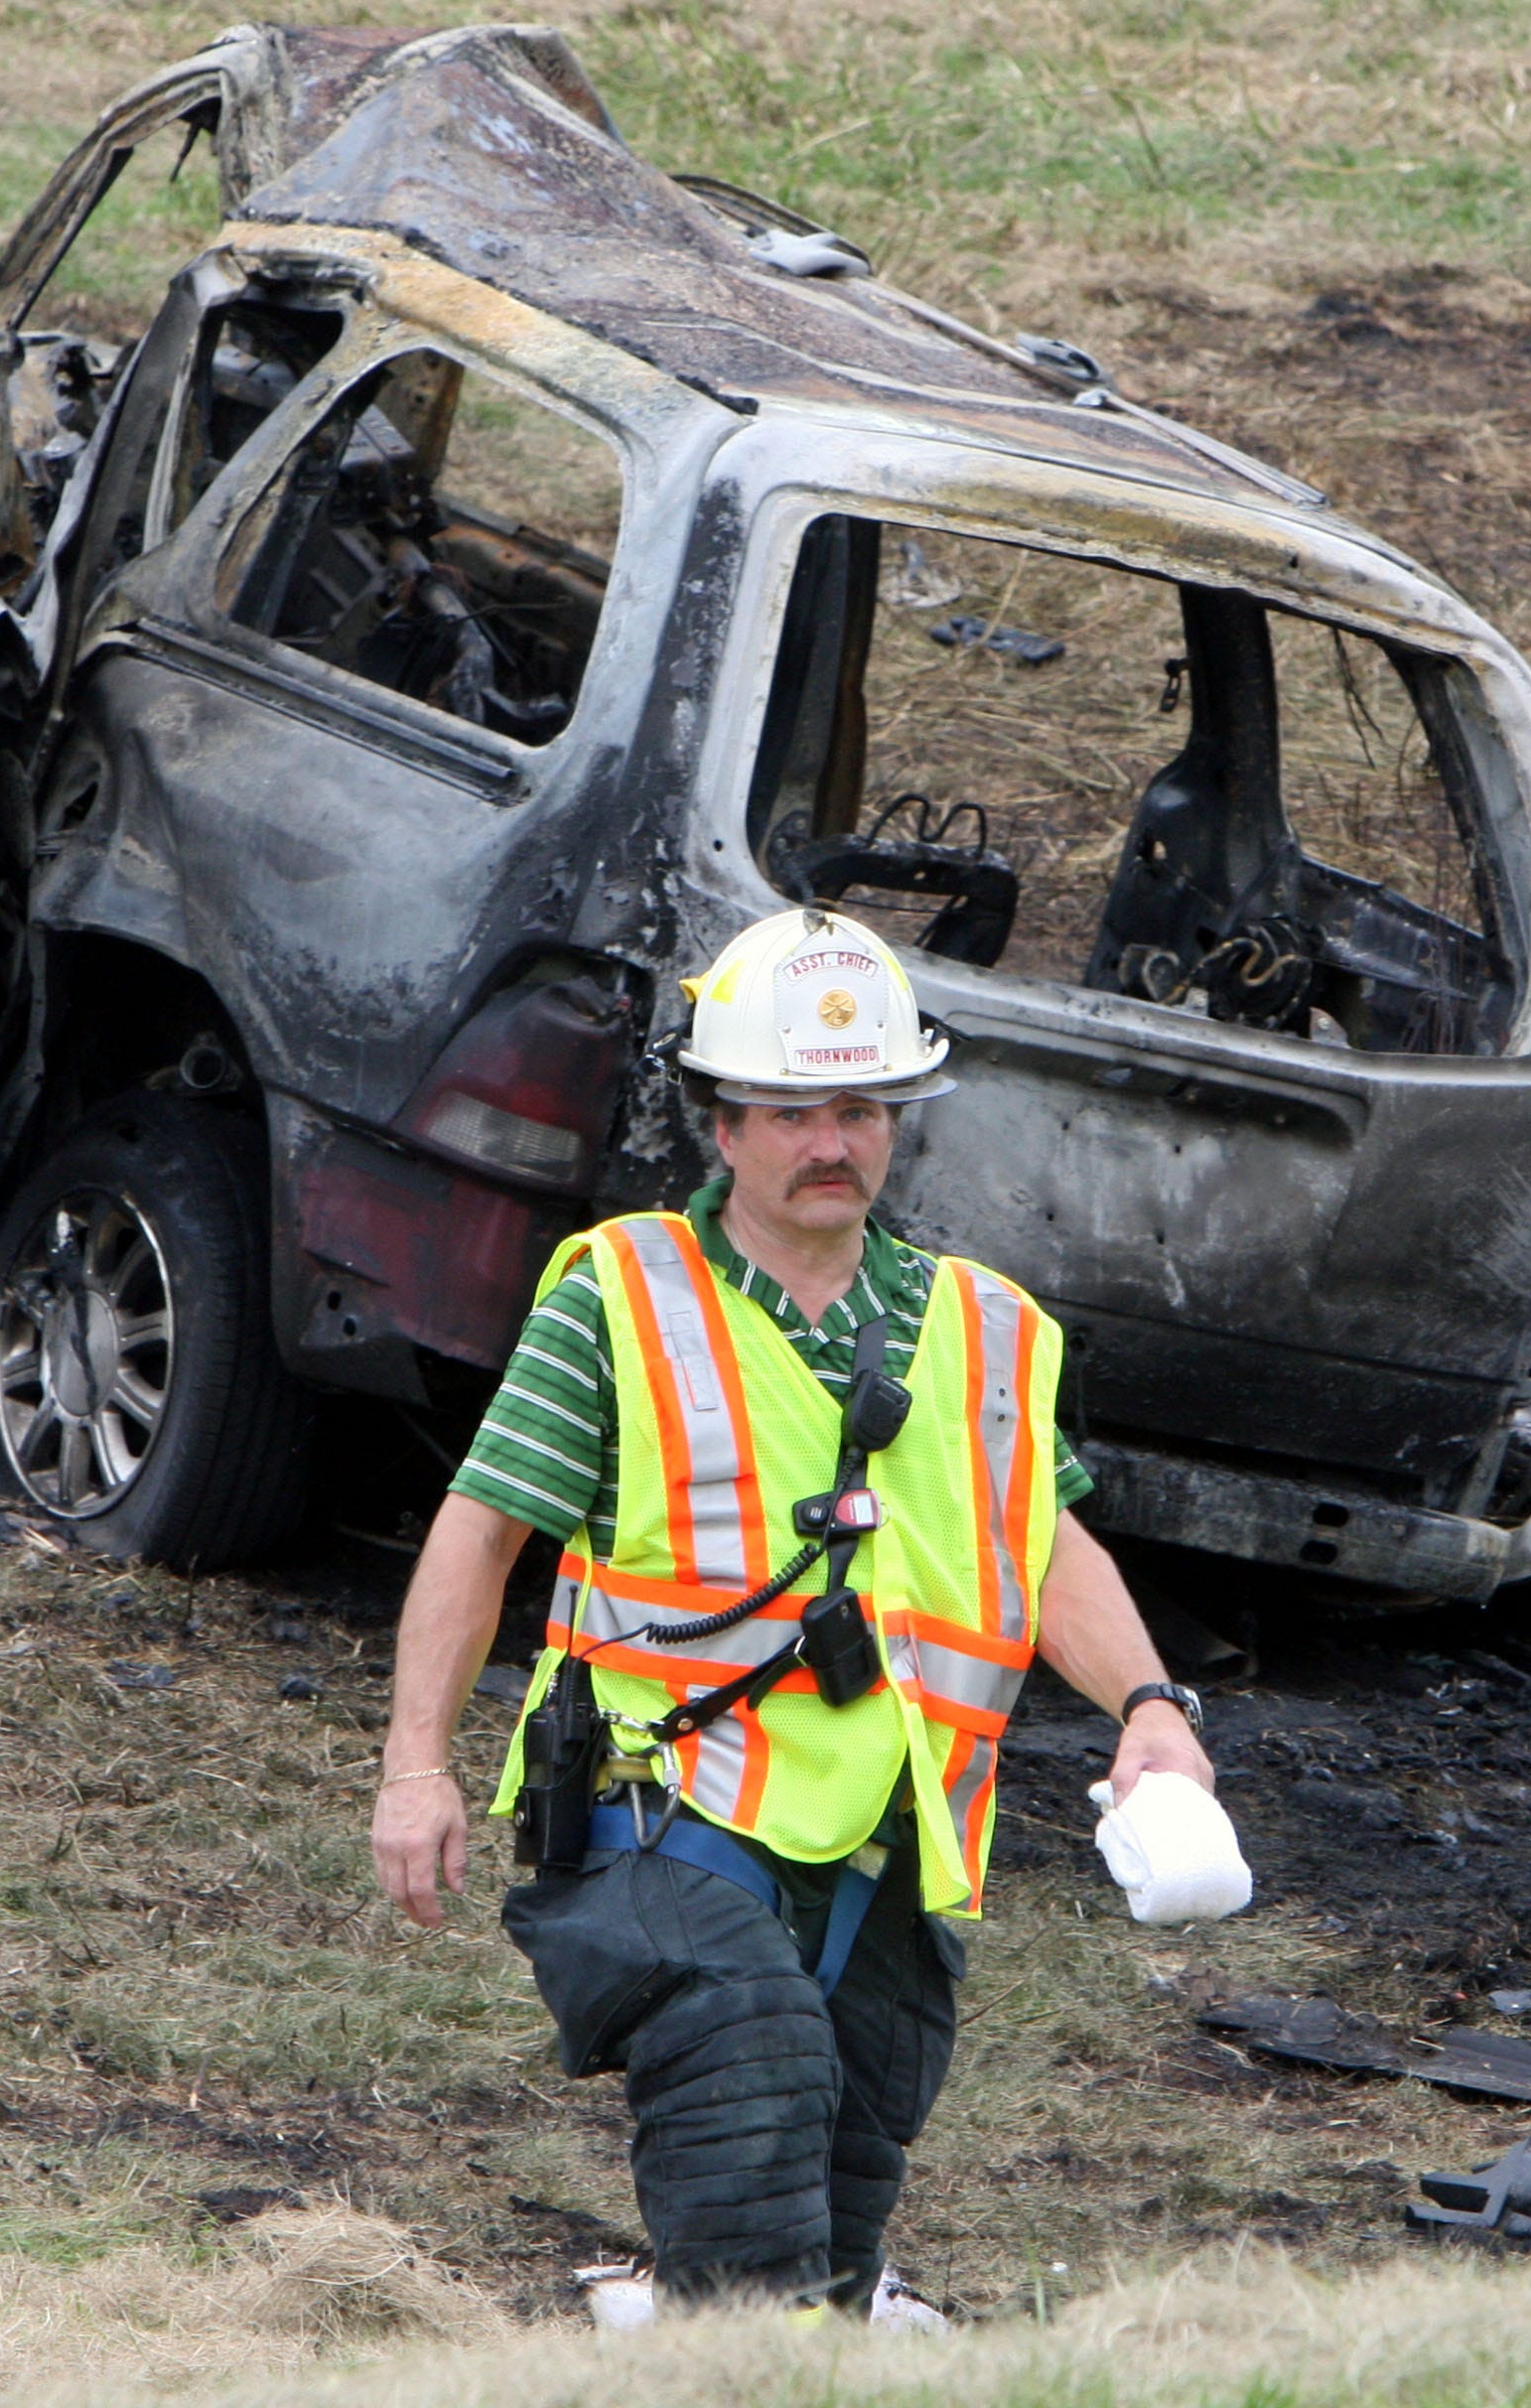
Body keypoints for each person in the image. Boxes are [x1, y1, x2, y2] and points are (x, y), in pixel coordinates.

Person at [371, 907, 1214, 2316]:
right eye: (793, 1112)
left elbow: (1046, 1545)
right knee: (750, 2088)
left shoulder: (981, 1328)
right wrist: (415, 1767)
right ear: (722, 1124)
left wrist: (1152, 1711)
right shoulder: (625, 1299)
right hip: (663, 1809)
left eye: (865, 1109)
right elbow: (482, 1530)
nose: (834, 1142)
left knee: (842, 2195)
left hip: (893, 1837)